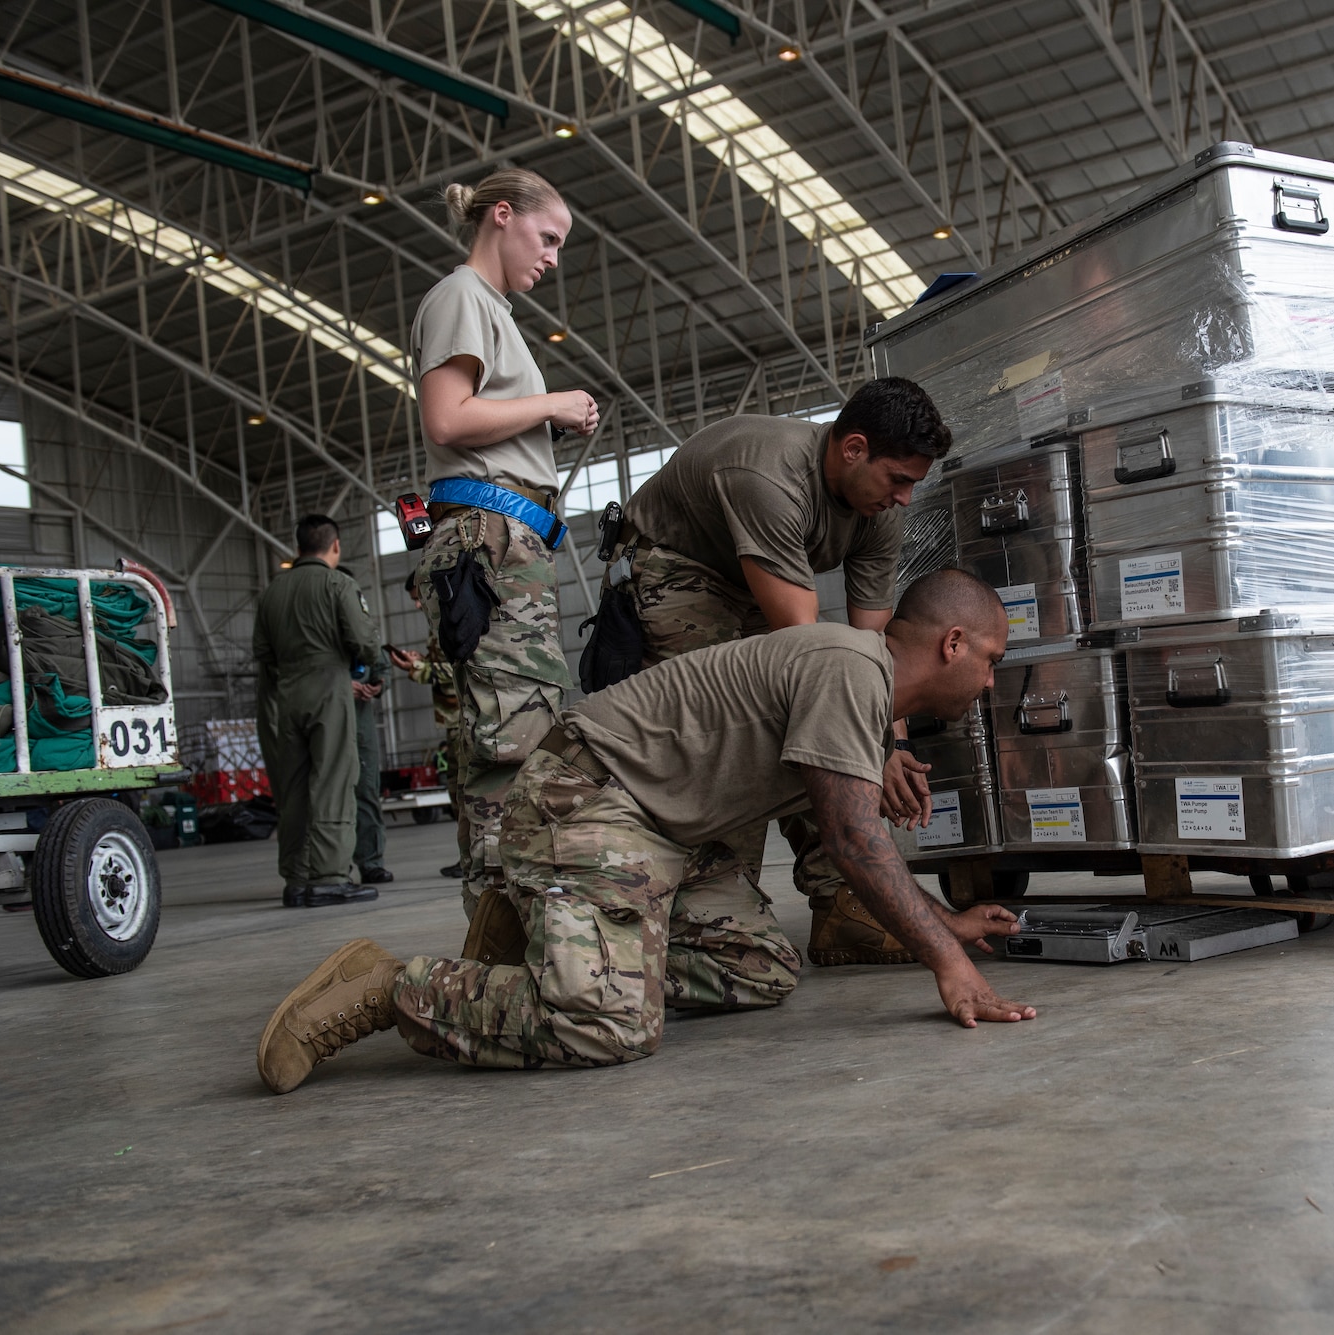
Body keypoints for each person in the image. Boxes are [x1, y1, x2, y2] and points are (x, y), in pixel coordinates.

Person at [254, 569, 1034, 1093]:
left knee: (760, 968)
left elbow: (851, 840)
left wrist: (946, 922)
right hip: (587, 799)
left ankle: (555, 942)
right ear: (952, 644)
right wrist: (947, 959)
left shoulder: (855, 681)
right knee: (610, 1023)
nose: (992, 680)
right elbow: (856, 841)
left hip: (661, 835)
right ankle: (391, 986)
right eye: (993, 660)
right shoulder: (852, 669)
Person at [599, 377, 951, 968]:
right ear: (853, 448)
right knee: (734, 728)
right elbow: (807, 649)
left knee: (831, 725)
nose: (906, 499)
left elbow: (870, 653)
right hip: (684, 566)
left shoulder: (881, 511)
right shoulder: (769, 478)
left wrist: (892, 742)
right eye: (899, 480)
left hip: (763, 579)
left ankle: (846, 906)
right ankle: (715, 912)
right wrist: (870, 752)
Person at [410, 166, 596, 924]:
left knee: (525, 739)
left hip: (512, 543)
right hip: (489, 540)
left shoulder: (491, 310)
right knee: (506, 747)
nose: (551, 257)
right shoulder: (461, 297)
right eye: (546, 238)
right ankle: (498, 937)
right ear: (501, 216)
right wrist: (550, 402)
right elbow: (447, 420)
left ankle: (512, 924)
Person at [251, 516, 384, 908]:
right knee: (334, 779)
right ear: (335, 546)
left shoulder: (272, 591)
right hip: (329, 688)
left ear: (299, 545)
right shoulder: (337, 584)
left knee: (292, 787)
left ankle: (296, 877)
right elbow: (364, 642)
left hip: (286, 693)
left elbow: (262, 651)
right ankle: (328, 875)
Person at [389, 635, 468, 878]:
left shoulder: (453, 612)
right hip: (453, 720)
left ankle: (476, 858)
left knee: (465, 792)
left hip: (463, 718)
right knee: (456, 792)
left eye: (417, 596)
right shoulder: (438, 622)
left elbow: (463, 666)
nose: (416, 603)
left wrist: (418, 668)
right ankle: (469, 856)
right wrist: (421, 661)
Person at [351, 675, 391, 885]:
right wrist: (336, 685)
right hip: (325, 710)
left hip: (360, 718)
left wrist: (378, 685)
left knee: (367, 790)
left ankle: (371, 862)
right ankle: (333, 869)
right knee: (329, 796)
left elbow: (381, 665)